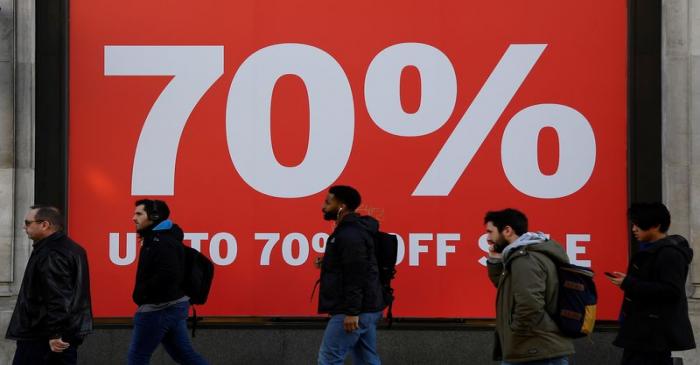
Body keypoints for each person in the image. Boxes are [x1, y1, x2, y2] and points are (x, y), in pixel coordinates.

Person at [607, 202, 695, 365]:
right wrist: (628, 282)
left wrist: (629, 283)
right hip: (643, 334)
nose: (634, 229)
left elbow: (671, 290)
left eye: (638, 224)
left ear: (656, 225)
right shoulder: (653, 250)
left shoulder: (669, 253)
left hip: (652, 336)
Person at [484, 208, 574, 365]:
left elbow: (530, 303)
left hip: (534, 351)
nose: (488, 238)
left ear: (507, 230)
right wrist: (494, 261)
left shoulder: (525, 259)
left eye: (490, 232)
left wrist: (515, 331)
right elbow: (505, 287)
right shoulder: (523, 255)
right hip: (535, 348)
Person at [6, 205, 93, 365]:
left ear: (44, 224)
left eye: (28, 222)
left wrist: (55, 334)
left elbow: (58, 296)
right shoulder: (71, 248)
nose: (23, 227)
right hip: (55, 334)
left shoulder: (51, 253)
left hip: (44, 337)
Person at [127, 199, 208, 365]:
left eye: (139, 214)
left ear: (154, 216)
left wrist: (143, 293)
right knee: (185, 356)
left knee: (137, 358)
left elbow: (169, 275)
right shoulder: (157, 239)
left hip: (158, 309)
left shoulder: (162, 242)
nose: (133, 218)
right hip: (173, 306)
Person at [316, 185, 386, 365]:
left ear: (342, 206)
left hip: (353, 310)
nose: (323, 207)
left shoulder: (349, 234)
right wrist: (327, 264)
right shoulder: (352, 231)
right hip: (367, 307)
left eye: (328, 202)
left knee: (329, 359)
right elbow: (355, 265)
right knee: (366, 359)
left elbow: (356, 273)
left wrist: (352, 312)